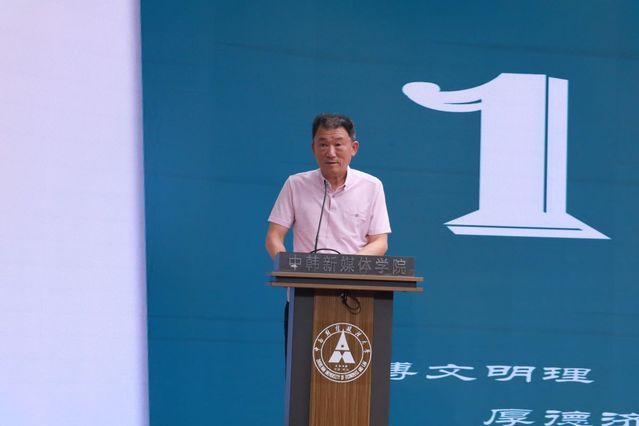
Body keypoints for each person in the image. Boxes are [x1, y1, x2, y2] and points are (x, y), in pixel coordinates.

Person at [265, 113, 391, 259]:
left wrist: (348, 266)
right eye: (323, 145)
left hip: (352, 272)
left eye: (338, 145)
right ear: (314, 148)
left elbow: (379, 242)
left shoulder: (371, 186)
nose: (331, 153)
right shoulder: (295, 184)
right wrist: (288, 266)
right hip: (305, 273)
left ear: (353, 148)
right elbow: (274, 236)